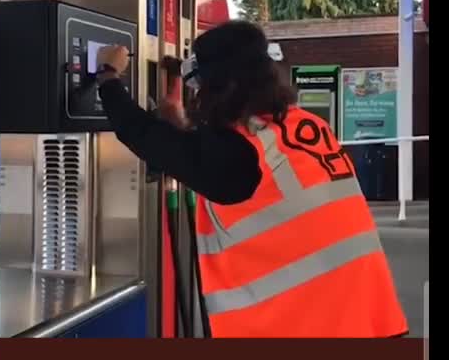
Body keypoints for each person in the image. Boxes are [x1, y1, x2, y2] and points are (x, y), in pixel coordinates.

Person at [95, 21, 408, 338]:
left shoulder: (239, 153)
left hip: (315, 326)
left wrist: (108, 75)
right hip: (369, 316)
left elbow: (145, 136)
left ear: (220, 86)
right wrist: (187, 131)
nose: (198, 96)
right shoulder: (303, 125)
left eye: (201, 86)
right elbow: (235, 163)